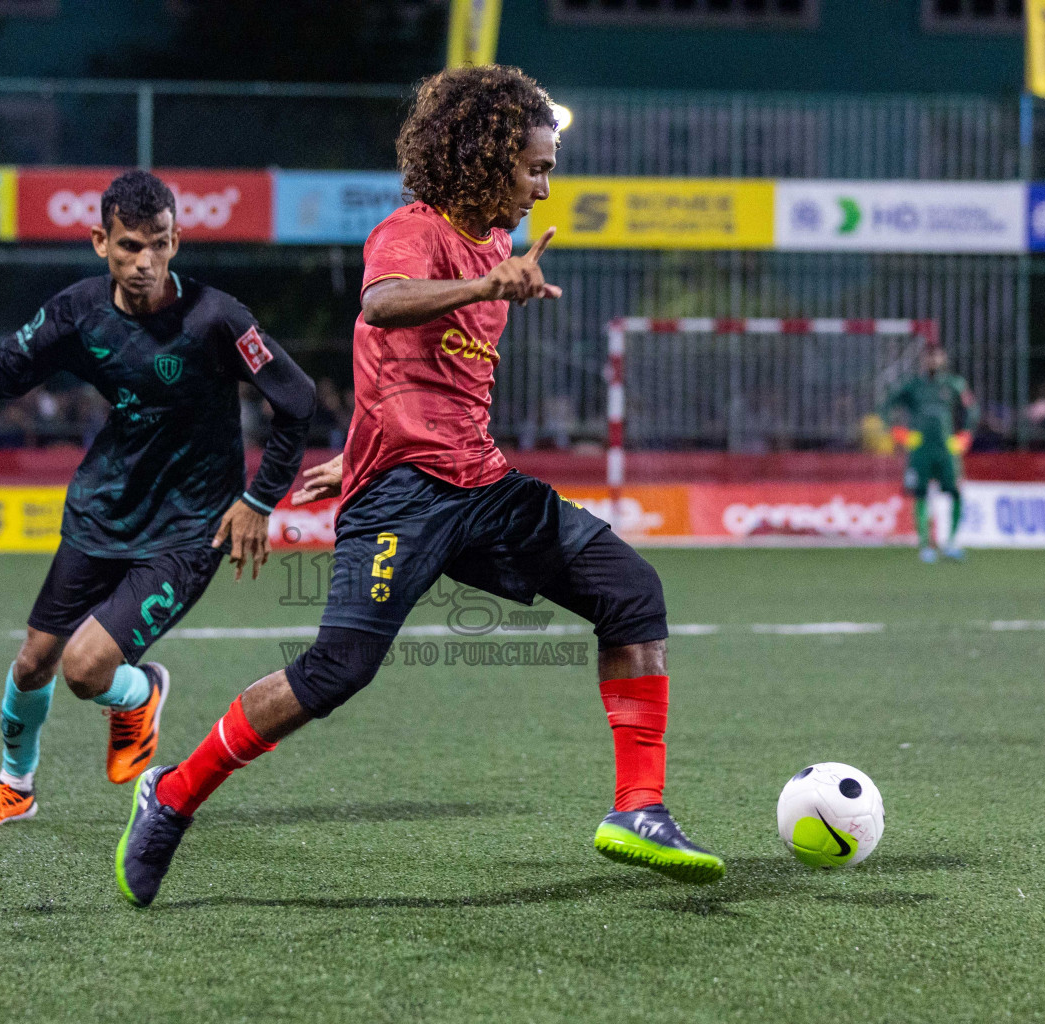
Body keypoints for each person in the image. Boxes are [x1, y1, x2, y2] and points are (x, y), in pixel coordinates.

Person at [114, 66, 724, 909]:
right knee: (336, 673)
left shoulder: (496, 248)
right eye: (534, 168)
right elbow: (383, 308)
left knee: (632, 592)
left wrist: (361, 438)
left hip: (480, 484)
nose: (544, 188)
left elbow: (404, 378)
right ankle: (172, 794)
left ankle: (640, 810)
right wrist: (483, 288)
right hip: (401, 497)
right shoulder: (415, 231)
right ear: (486, 156)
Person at [0, 170, 315, 829]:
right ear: (100, 242)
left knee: (84, 668)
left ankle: (140, 691)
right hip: (104, 509)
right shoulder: (77, 311)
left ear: (177, 241)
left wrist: (259, 502)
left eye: (160, 243)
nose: (146, 261)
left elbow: (298, 404)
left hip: (189, 527)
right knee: (34, 660)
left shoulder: (218, 318)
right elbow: (10, 370)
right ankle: (16, 788)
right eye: (129, 246)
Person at [880, 344, 979, 563]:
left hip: (946, 448)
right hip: (921, 449)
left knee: (955, 492)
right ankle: (925, 545)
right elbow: (886, 405)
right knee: (921, 493)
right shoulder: (913, 385)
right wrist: (899, 433)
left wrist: (965, 435)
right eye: (929, 357)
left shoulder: (955, 384)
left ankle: (951, 542)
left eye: (937, 356)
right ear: (924, 360)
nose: (933, 361)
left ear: (943, 359)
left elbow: (972, 410)